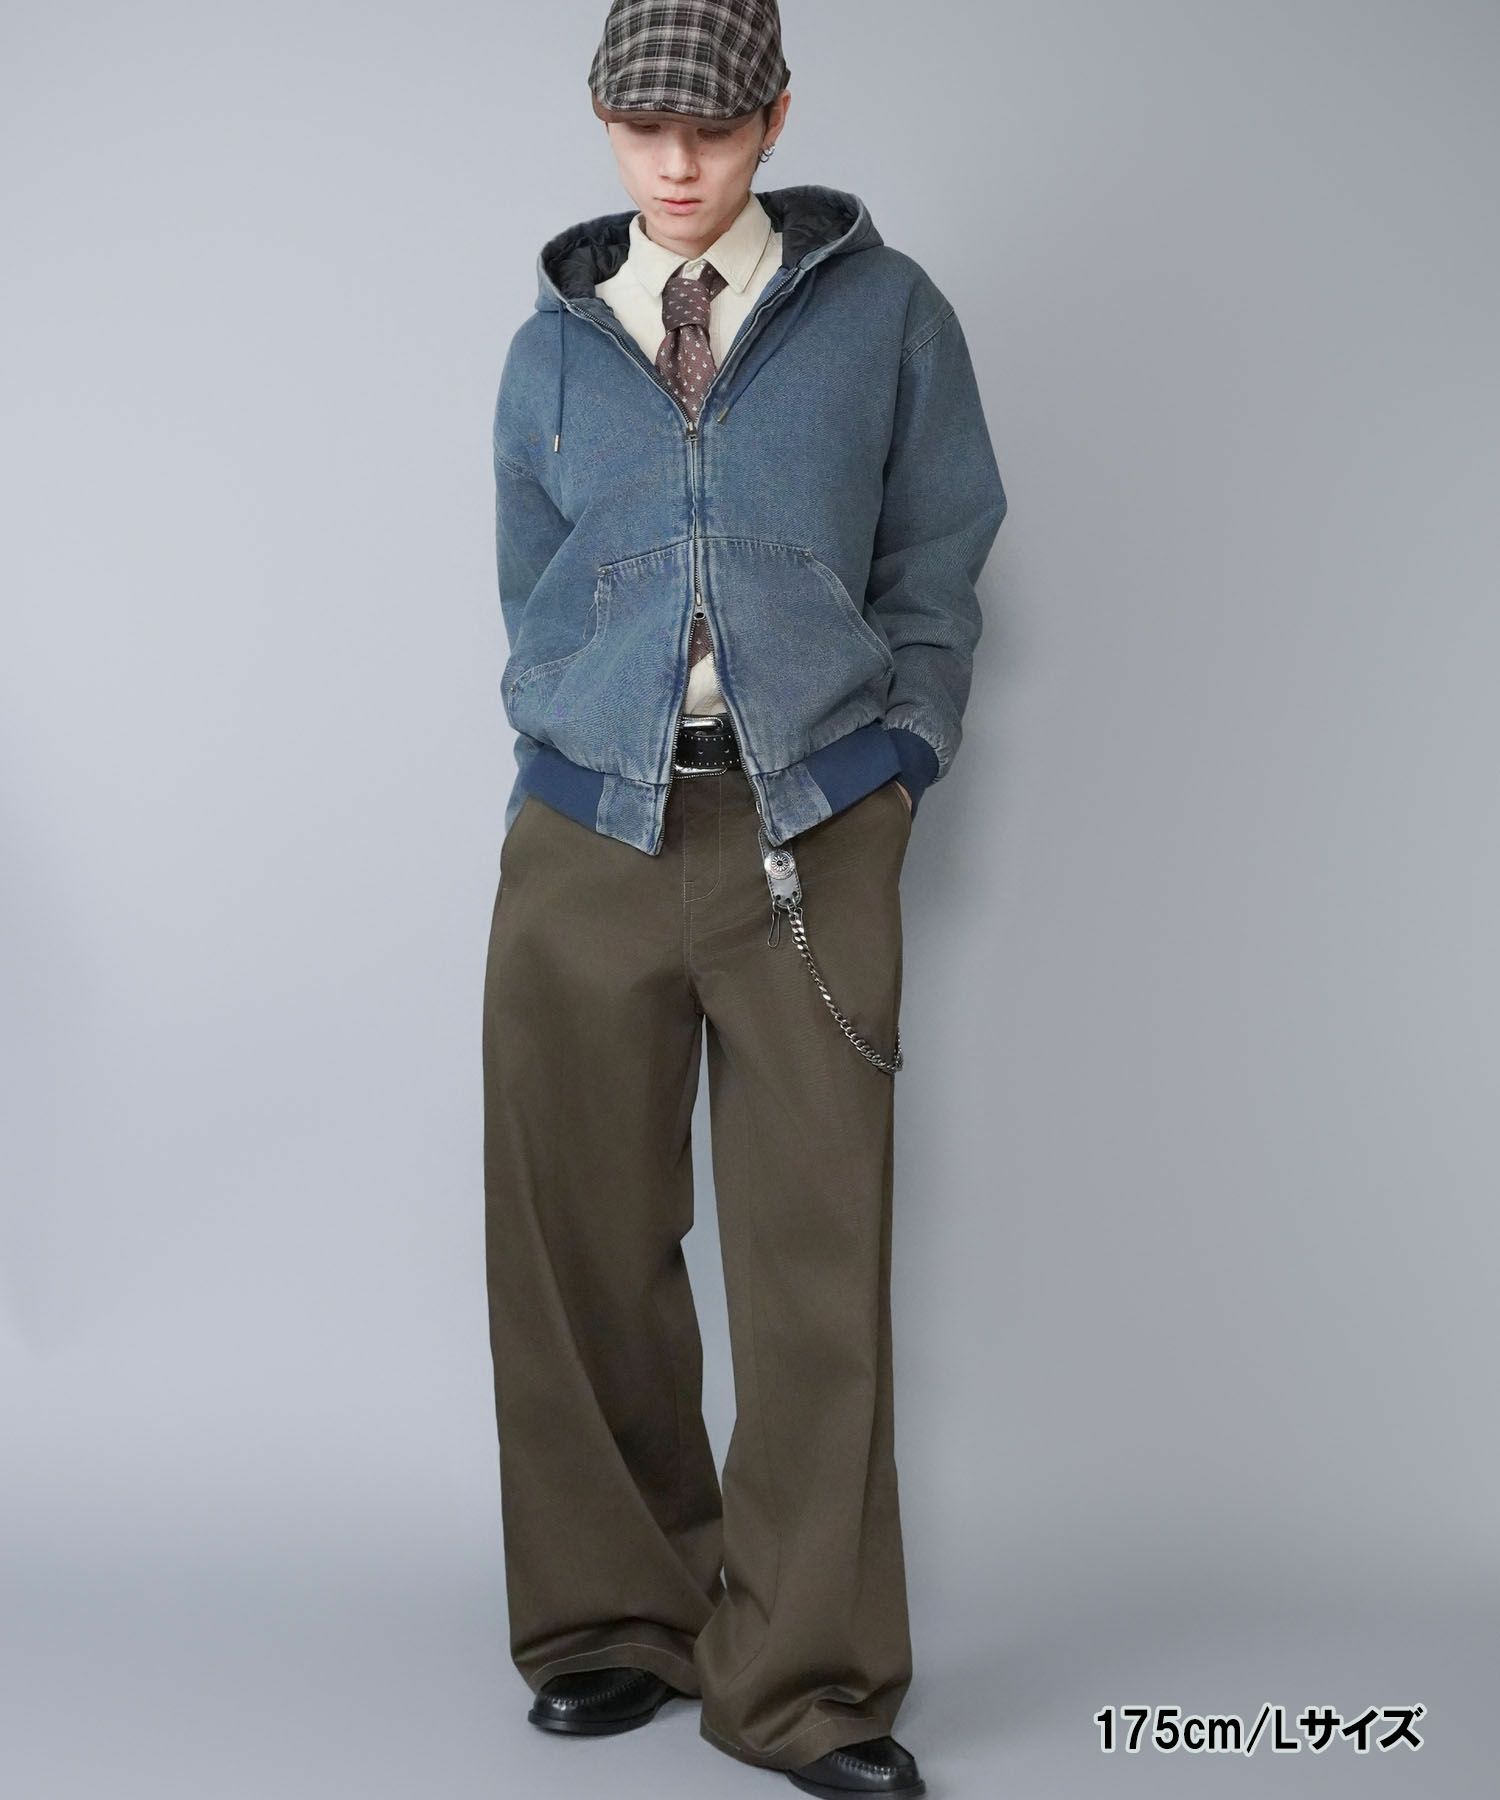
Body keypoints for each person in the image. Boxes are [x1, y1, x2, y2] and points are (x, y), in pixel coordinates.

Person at [481, 3, 1007, 1794]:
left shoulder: (888, 317)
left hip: (812, 827)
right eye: (644, 127)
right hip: (588, 841)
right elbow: (533, 586)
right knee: (576, 1246)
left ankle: (804, 1682)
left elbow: (939, 550)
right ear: (605, 123)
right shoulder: (553, 349)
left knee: (813, 1265)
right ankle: (611, 1618)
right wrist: (571, 730)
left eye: (711, 125)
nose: (678, 162)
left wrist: (902, 753)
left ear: (776, 117)